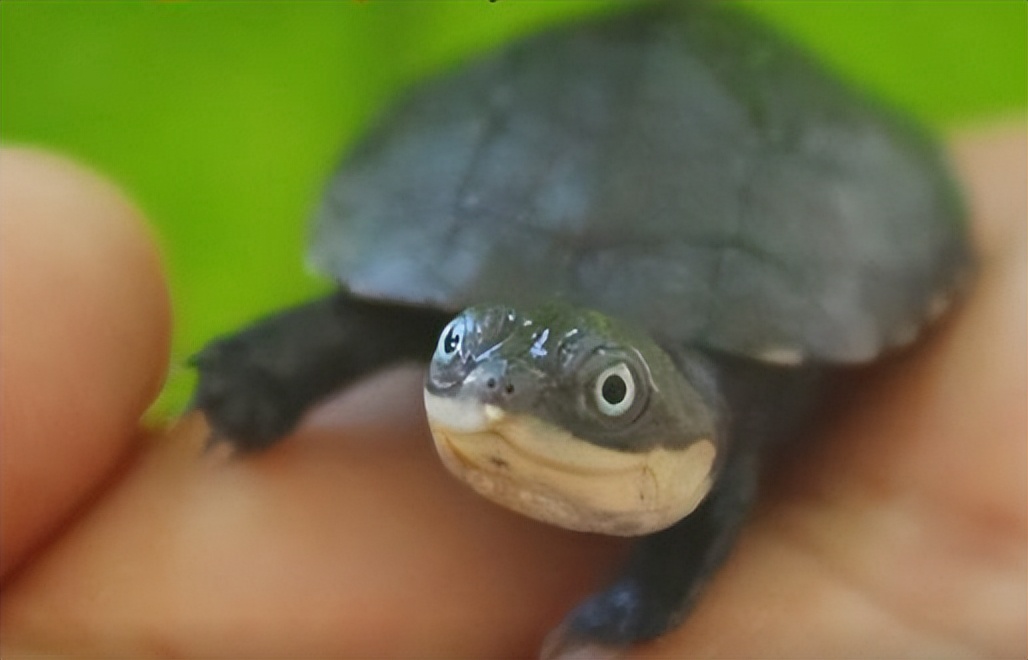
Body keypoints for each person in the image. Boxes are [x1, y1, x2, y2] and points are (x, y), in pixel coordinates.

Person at [0, 127, 1024, 658]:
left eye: (609, 395)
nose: (495, 399)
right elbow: (384, 317)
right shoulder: (475, 355)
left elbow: (723, 454)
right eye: (462, 356)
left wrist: (646, 601)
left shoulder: (740, 403)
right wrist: (262, 381)